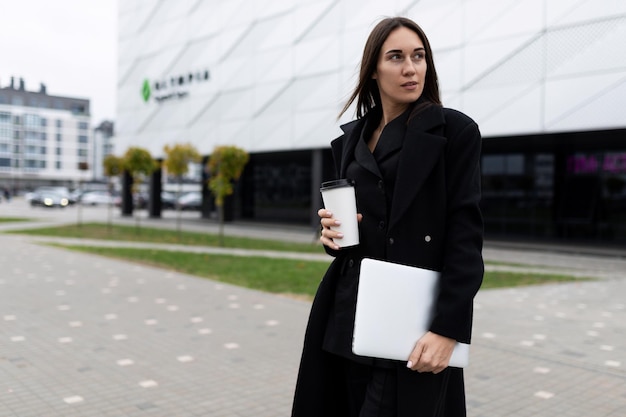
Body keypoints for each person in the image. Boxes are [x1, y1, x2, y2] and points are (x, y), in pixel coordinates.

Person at [291, 17, 484, 417]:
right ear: (373, 70)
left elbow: (465, 238)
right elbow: (360, 227)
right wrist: (332, 235)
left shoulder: (455, 133)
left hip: (410, 322)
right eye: (395, 57)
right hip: (345, 316)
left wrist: (449, 329)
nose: (410, 68)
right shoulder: (350, 140)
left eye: (419, 56)